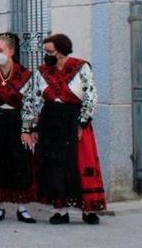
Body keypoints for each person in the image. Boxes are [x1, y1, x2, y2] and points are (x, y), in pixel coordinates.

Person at [32, 33, 106, 225]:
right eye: (44, 51)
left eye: (49, 51)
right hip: (50, 120)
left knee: (81, 163)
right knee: (55, 165)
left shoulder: (81, 67)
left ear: (62, 50)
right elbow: (34, 99)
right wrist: (32, 125)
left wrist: (82, 122)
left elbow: (91, 94)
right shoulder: (42, 71)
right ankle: (60, 210)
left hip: (74, 119)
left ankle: (88, 210)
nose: (45, 55)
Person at [0, 33, 37, 223]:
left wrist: (27, 129)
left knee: (20, 161)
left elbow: (31, 103)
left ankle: (22, 208)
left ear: (11, 51)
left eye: (0, 50)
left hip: (17, 121)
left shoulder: (25, 74)